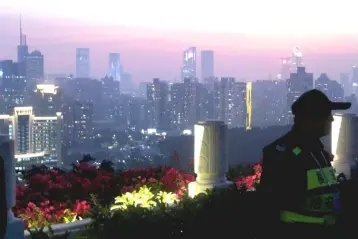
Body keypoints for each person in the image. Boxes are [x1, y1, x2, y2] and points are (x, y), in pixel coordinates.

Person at [258, 89, 351, 239]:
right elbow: (270, 206)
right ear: (310, 119)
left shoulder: (318, 151)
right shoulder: (282, 153)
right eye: (327, 115)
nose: (331, 120)